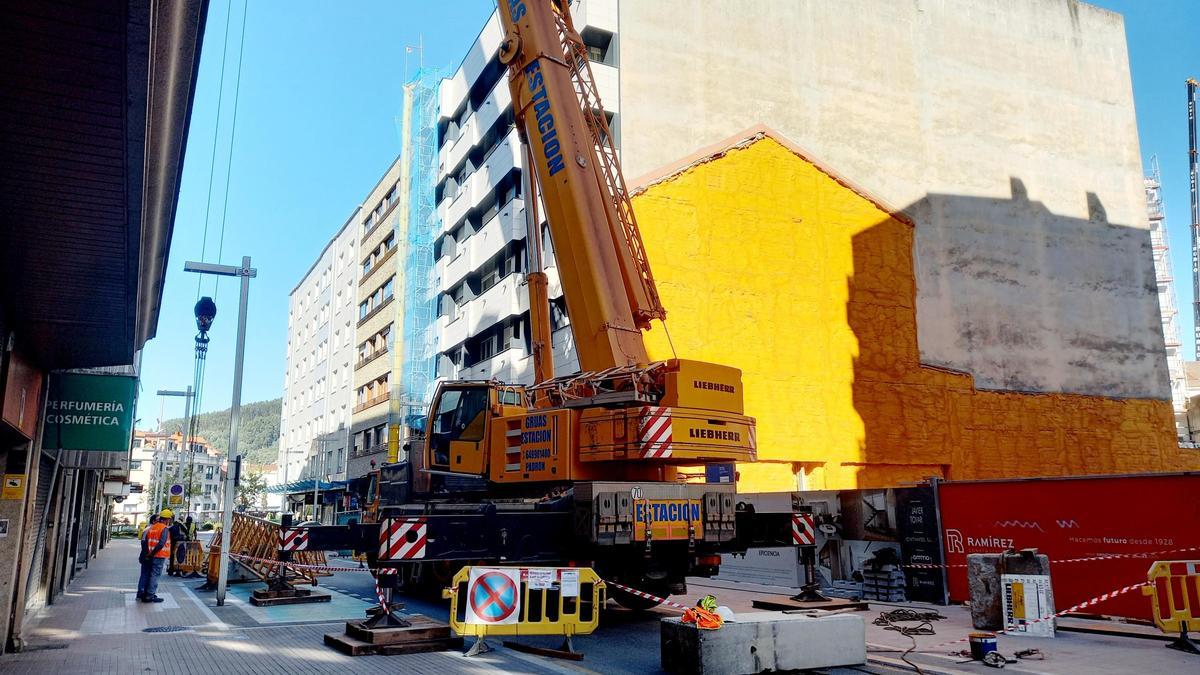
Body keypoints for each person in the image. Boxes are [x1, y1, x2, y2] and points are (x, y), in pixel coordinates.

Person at [137, 509, 172, 602]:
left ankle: (145, 593)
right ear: (167, 519)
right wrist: (152, 553)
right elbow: (161, 543)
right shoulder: (164, 528)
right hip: (159, 555)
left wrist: (148, 554)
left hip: (151, 555)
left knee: (149, 574)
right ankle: (150, 595)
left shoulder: (153, 527)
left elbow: (145, 541)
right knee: (155, 575)